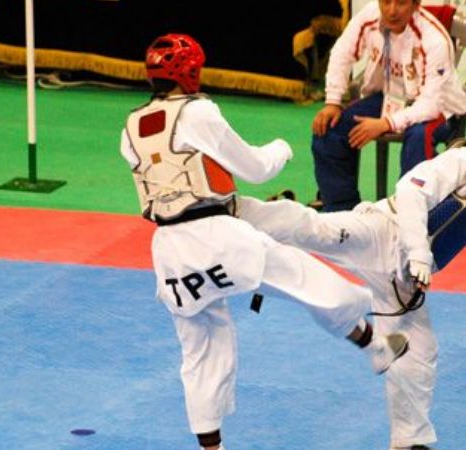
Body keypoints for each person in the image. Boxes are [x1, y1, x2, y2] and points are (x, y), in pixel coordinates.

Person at [119, 33, 410, 450]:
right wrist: (281, 149)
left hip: (172, 249)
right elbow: (254, 168)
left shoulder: (129, 129)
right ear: (192, 72)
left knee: (202, 352)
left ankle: (211, 447)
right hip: (217, 233)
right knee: (302, 276)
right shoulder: (198, 112)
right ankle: (374, 331)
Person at [239, 111, 466, 450]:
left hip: (403, 279)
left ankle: (410, 441)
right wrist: (418, 253)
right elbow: (410, 191)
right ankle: (236, 211)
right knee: (317, 229)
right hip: (383, 232)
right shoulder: (461, 159)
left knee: (418, 350)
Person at [311, 0, 466, 212]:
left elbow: (431, 105)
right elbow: (342, 52)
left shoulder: (433, 38)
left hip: (439, 108)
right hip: (390, 99)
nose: (391, 10)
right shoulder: (369, 17)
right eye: (386, 2)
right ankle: (343, 214)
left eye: (401, 3)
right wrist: (332, 101)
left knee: (418, 138)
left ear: (415, 5)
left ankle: (411, 216)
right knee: (329, 130)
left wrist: (386, 123)